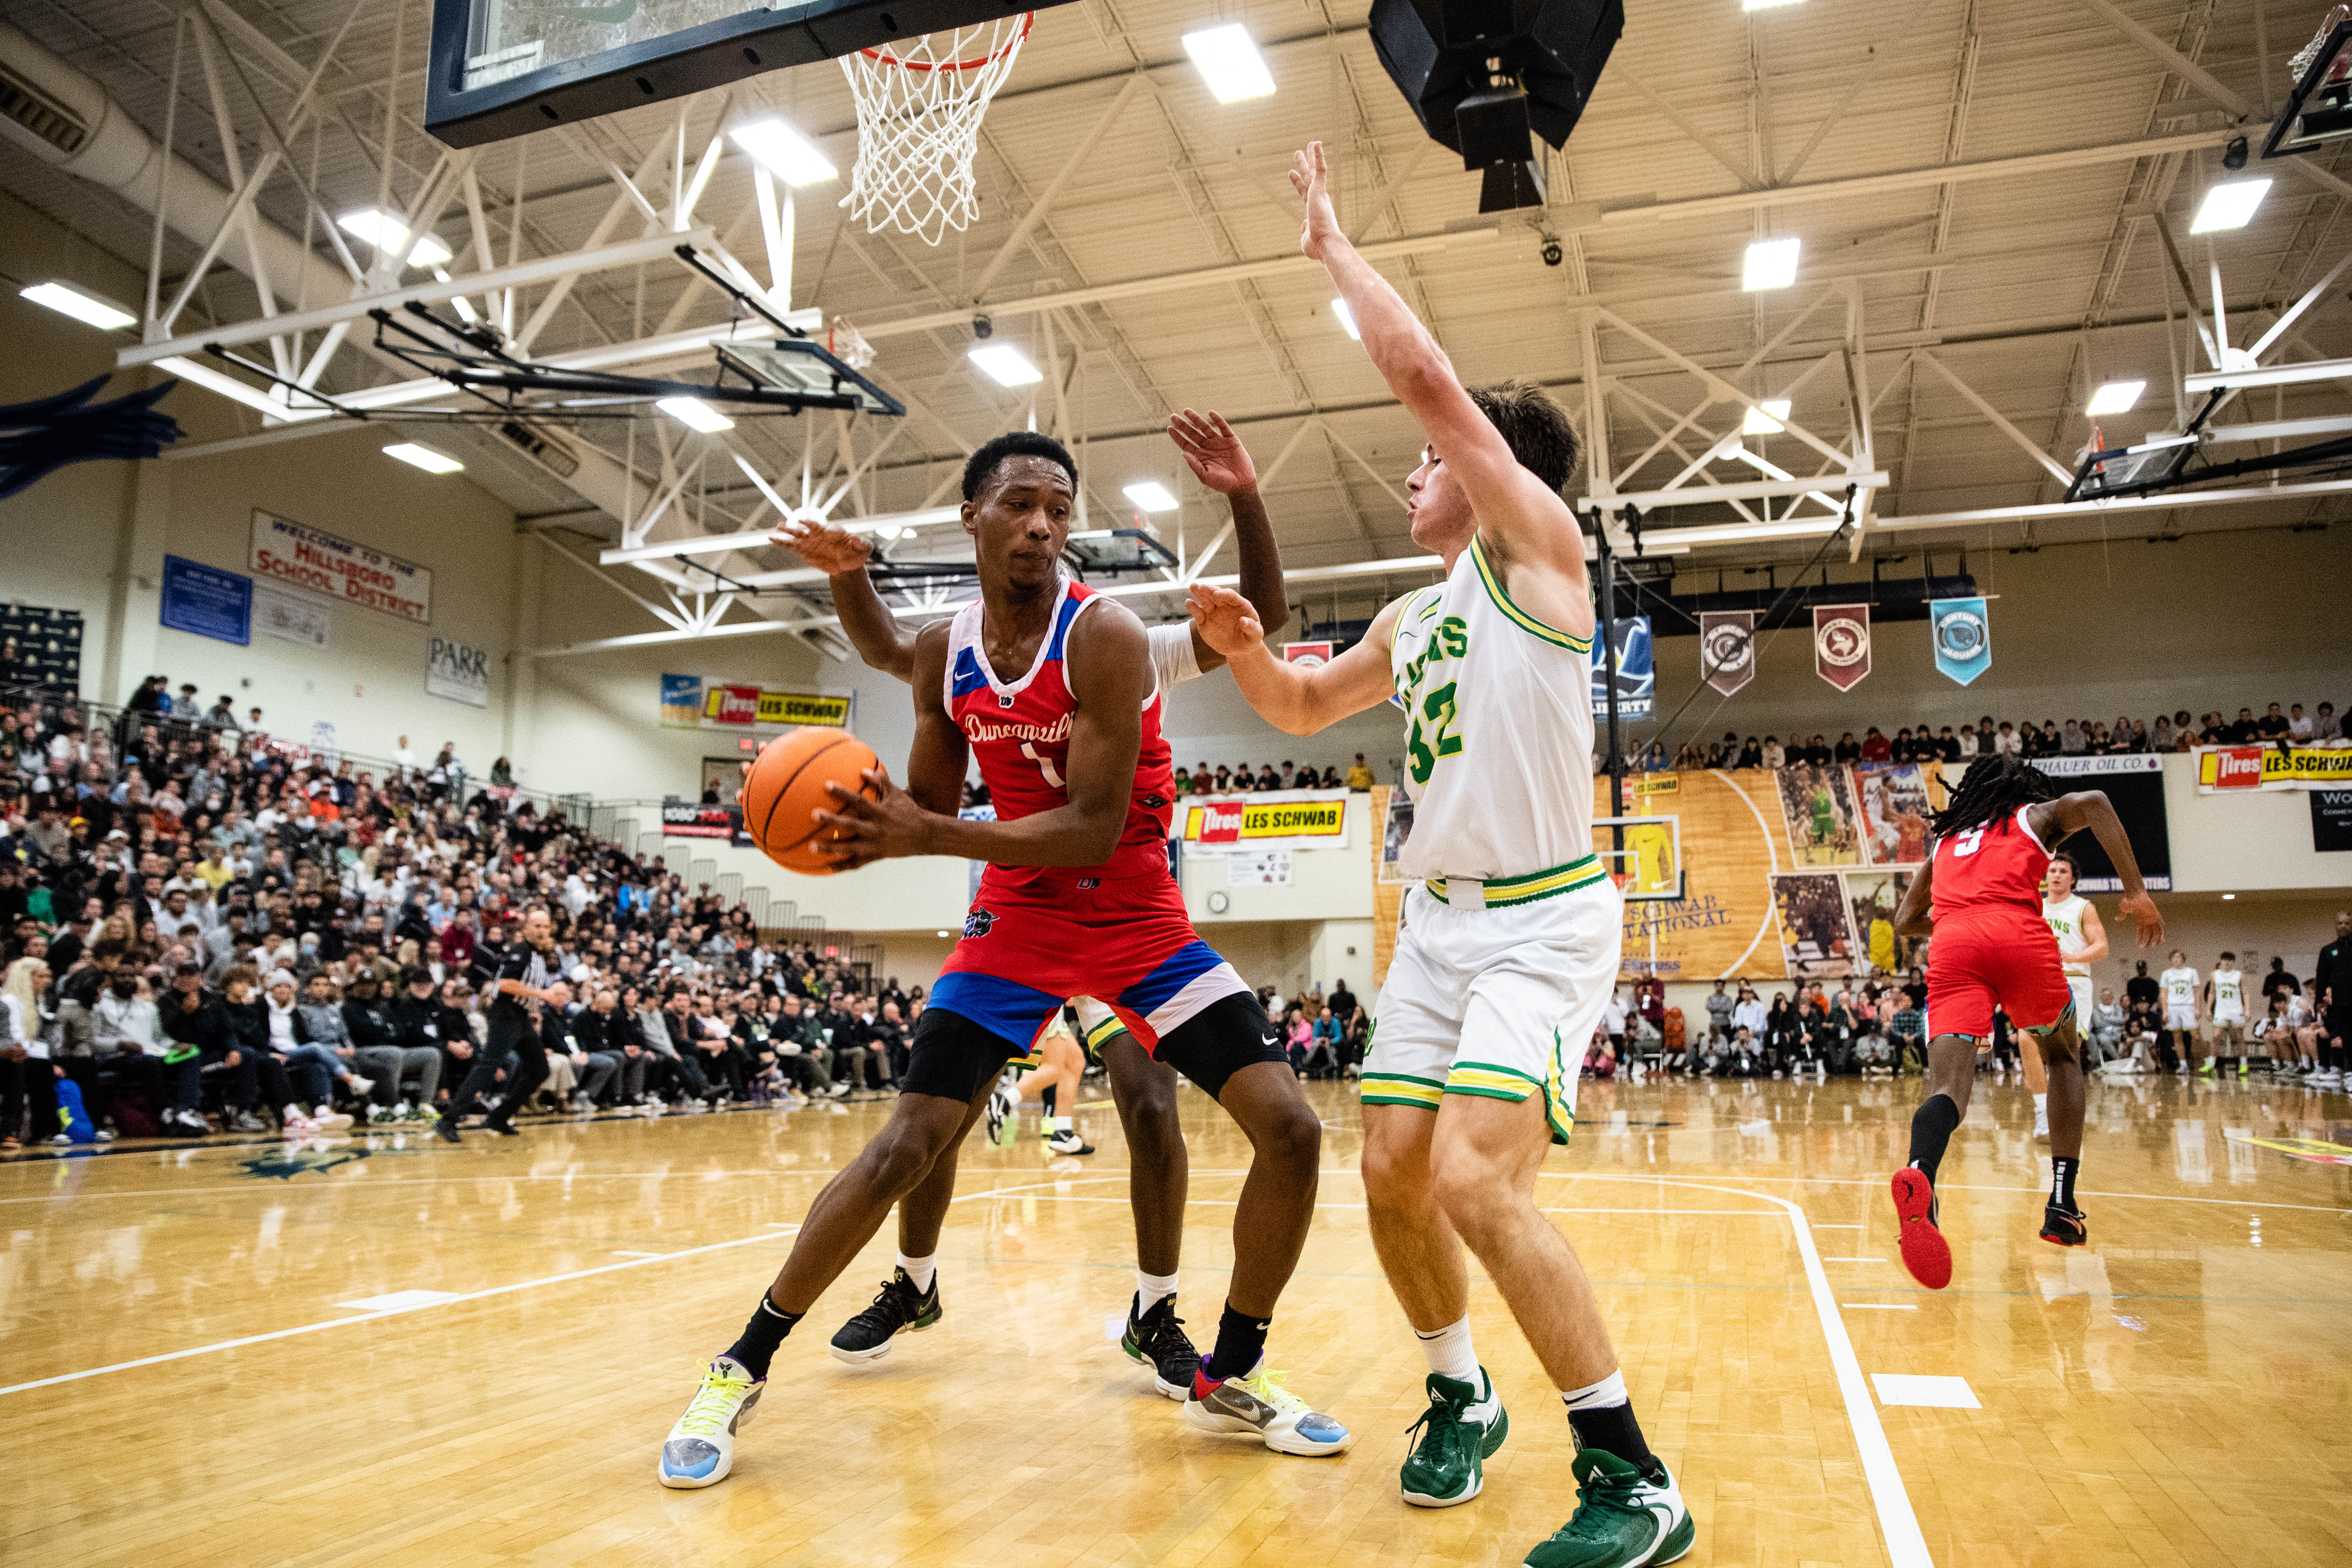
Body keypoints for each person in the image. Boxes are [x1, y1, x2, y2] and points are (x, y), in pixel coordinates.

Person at [657, 430, 1344, 1492]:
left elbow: (1088, 828)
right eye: (1021, 504)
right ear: (972, 516)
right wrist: (884, 799)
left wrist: (926, 835)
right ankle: (740, 1364)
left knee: (1285, 1128)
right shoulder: (947, 651)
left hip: (1136, 915)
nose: (1042, 525)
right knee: (906, 1144)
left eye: (1060, 510)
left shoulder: (1107, 637)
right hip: (1018, 918)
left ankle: (1229, 1367)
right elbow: (925, 789)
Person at [1182, 140, 1691, 1568]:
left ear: (1492, 468)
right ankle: (1460, 1397)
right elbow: (1294, 704)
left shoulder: (1540, 556)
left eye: (1435, 457)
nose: (1416, 469)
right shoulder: (1416, 620)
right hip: (1438, 925)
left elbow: (1424, 386)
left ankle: (1632, 1473)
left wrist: (1332, 252)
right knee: (1393, 1169)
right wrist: (1239, 653)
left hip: (1542, 922)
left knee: (1476, 1178)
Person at [1888, 755, 2162, 1292]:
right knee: (2062, 1057)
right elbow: (2099, 804)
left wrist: (1956, 922)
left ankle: (1921, 1171)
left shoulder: (1946, 843)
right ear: (2022, 789)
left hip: (1953, 946)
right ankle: (2062, 1204)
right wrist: (2136, 890)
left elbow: (1904, 922)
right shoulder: (2031, 817)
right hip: (2018, 936)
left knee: (1947, 1088)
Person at [435, 907, 559, 1140]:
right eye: (537, 926)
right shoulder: (521, 951)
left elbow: (523, 989)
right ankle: (448, 1120)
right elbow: (504, 985)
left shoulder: (538, 955)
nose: (542, 931)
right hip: (505, 1014)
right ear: (526, 929)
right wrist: (543, 995)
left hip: (521, 1016)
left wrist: (534, 1007)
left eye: (545, 926)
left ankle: (499, 1117)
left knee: (540, 1069)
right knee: (488, 1066)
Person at [2036, 852, 2108, 1139]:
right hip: (2040, 982)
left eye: (2063, 871)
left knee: (2065, 1055)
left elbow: (2101, 947)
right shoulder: (2036, 907)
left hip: (2074, 983)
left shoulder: (2083, 907)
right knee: (2027, 1041)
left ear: (2073, 878)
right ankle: (2042, 1112)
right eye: (2052, 870)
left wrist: (2074, 956)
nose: (2056, 875)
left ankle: (2064, 1114)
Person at [2158, 949, 2201, 1076]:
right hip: (2173, 1007)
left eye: (2179, 957)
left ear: (2183, 958)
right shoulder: (2166, 974)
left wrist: (2197, 1008)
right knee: (2177, 1037)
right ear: (2171, 959)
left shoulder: (2191, 972)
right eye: (2174, 957)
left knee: (2196, 1035)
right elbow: (2164, 993)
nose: (2177, 959)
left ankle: (2202, 1061)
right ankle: (2183, 1065)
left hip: (2188, 1006)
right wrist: (2165, 1011)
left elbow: (2197, 992)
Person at [2206, 952, 2249, 1077]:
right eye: (2224, 960)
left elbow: (2246, 993)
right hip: (2221, 1010)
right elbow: (2212, 993)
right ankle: (2211, 1063)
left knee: (2239, 1038)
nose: (2227, 962)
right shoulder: (2215, 975)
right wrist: (2208, 1009)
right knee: (2216, 1037)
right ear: (2221, 961)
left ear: (2233, 962)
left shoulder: (2239, 975)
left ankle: (2244, 1064)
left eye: (2230, 960)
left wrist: (2247, 1010)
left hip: (2236, 1010)